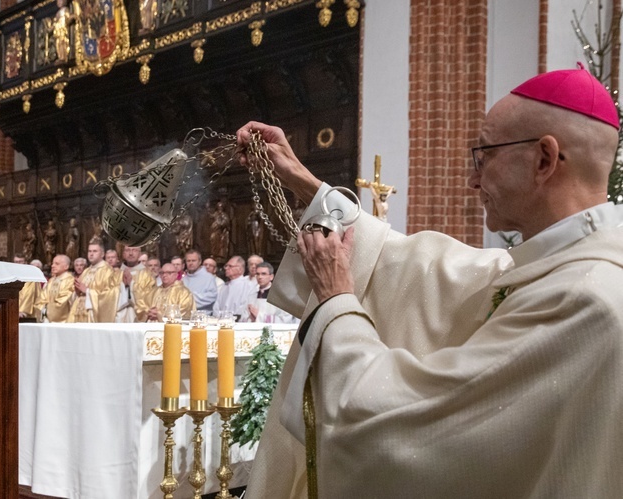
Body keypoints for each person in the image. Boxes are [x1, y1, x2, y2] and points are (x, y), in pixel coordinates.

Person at [236, 68, 623, 498]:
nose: (473, 179)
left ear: (544, 160)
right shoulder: (570, 268)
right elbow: (427, 269)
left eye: (485, 154)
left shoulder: (581, 301)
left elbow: (394, 428)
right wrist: (306, 185)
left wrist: (336, 300)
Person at [68, 239, 119, 323]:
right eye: (89, 251)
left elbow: (110, 295)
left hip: (92, 315)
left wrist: (88, 291)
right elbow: (78, 292)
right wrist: (76, 292)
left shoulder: (107, 270)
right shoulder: (86, 271)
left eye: (95, 251)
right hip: (78, 312)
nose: (91, 254)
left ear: (102, 254)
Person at [213, 255, 257, 321]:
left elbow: (246, 308)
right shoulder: (224, 286)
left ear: (240, 269)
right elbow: (216, 306)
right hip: (221, 323)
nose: (226, 268)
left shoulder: (249, 286)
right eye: (226, 266)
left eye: (230, 266)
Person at [35, 254, 75, 322]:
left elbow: (63, 301)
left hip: (64, 321)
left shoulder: (70, 281)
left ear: (66, 266)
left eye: (57, 264)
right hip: (46, 320)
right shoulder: (51, 281)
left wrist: (47, 311)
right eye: (53, 263)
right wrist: (43, 310)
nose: (52, 266)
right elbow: (41, 298)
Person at [14, 253, 42, 319]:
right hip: (14, 310)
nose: (18, 264)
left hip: (26, 313)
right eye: (16, 262)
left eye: (20, 262)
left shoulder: (31, 276)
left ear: (25, 262)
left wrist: (22, 311)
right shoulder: (13, 275)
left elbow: (30, 294)